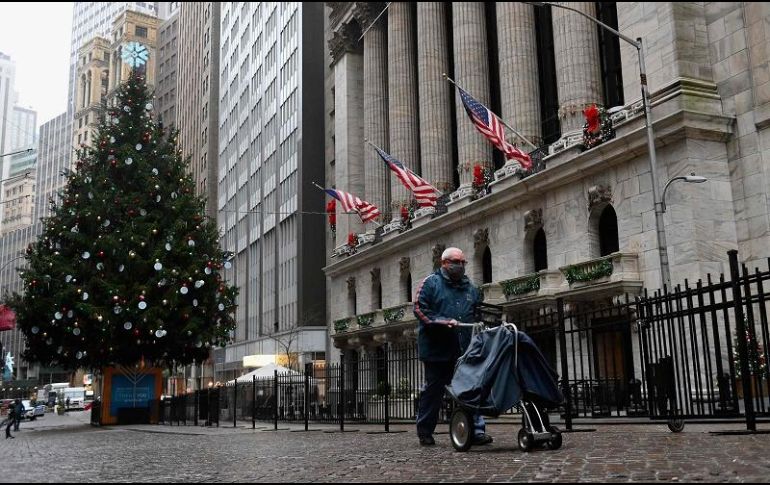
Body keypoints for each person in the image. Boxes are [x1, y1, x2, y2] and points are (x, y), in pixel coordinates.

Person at [413, 247, 493, 447]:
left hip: (464, 350)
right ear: (444, 263)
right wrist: (440, 321)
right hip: (436, 350)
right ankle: (425, 432)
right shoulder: (430, 283)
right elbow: (419, 309)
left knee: (469, 390)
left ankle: (475, 431)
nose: (460, 265)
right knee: (434, 390)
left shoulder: (470, 288)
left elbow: (478, 312)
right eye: (455, 261)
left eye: (462, 262)